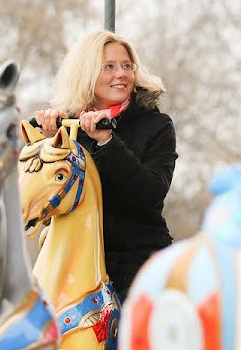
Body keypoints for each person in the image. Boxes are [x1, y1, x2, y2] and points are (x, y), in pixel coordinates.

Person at [33, 30, 177, 300]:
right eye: (109, 67)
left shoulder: (156, 126)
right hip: (74, 263)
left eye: (126, 66)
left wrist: (108, 143)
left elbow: (151, 193)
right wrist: (48, 143)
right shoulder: (69, 128)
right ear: (86, 73)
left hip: (136, 263)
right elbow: (44, 198)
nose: (121, 74)